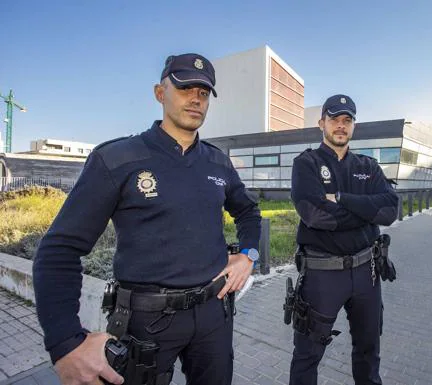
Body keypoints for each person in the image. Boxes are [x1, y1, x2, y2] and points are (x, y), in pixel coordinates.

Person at [33, 53, 262, 385]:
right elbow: (59, 249)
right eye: (185, 88)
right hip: (146, 322)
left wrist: (248, 256)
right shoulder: (117, 158)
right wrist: (65, 343)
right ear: (160, 93)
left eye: (203, 92)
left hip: (214, 312)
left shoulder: (218, 162)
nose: (196, 99)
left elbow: (249, 212)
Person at [288, 94, 399, 384]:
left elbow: (390, 210)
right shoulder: (306, 163)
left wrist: (341, 199)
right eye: (334, 119)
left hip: (367, 272)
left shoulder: (368, 166)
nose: (340, 125)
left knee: (368, 349)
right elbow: (315, 215)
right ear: (321, 123)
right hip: (323, 275)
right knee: (307, 355)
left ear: (353, 127)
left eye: (346, 120)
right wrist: (367, 209)